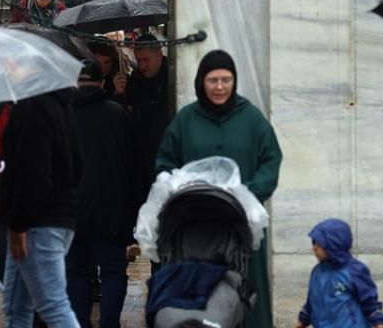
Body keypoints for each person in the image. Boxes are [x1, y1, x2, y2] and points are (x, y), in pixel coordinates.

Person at [155, 50, 282, 328]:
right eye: (213, 80)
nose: (220, 87)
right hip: (195, 228)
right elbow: (165, 162)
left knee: (249, 288)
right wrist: (176, 187)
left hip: (241, 225)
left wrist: (250, 192)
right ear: (202, 82)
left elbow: (271, 159)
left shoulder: (251, 118)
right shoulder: (186, 120)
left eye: (226, 80)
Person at [0, 86, 84, 328]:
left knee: (53, 306)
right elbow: (77, 166)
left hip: (37, 224)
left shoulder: (33, 108)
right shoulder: (59, 105)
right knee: (16, 306)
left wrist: (18, 223)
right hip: (49, 220)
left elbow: (34, 175)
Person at [66, 63, 136, 328]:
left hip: (72, 212)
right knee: (113, 272)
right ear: (102, 82)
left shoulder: (63, 116)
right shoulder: (118, 115)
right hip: (112, 210)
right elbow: (133, 165)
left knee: (76, 273)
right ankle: (109, 323)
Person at [295, 218, 383, 328]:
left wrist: (378, 323)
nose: (314, 248)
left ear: (333, 246)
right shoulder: (317, 272)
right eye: (314, 243)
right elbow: (311, 302)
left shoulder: (355, 271)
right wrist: (302, 321)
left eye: (319, 245)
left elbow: (369, 302)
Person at [124, 33, 170, 203]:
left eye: (146, 59)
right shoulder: (135, 82)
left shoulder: (174, 75)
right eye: (139, 60)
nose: (142, 65)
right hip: (145, 156)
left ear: (159, 54)